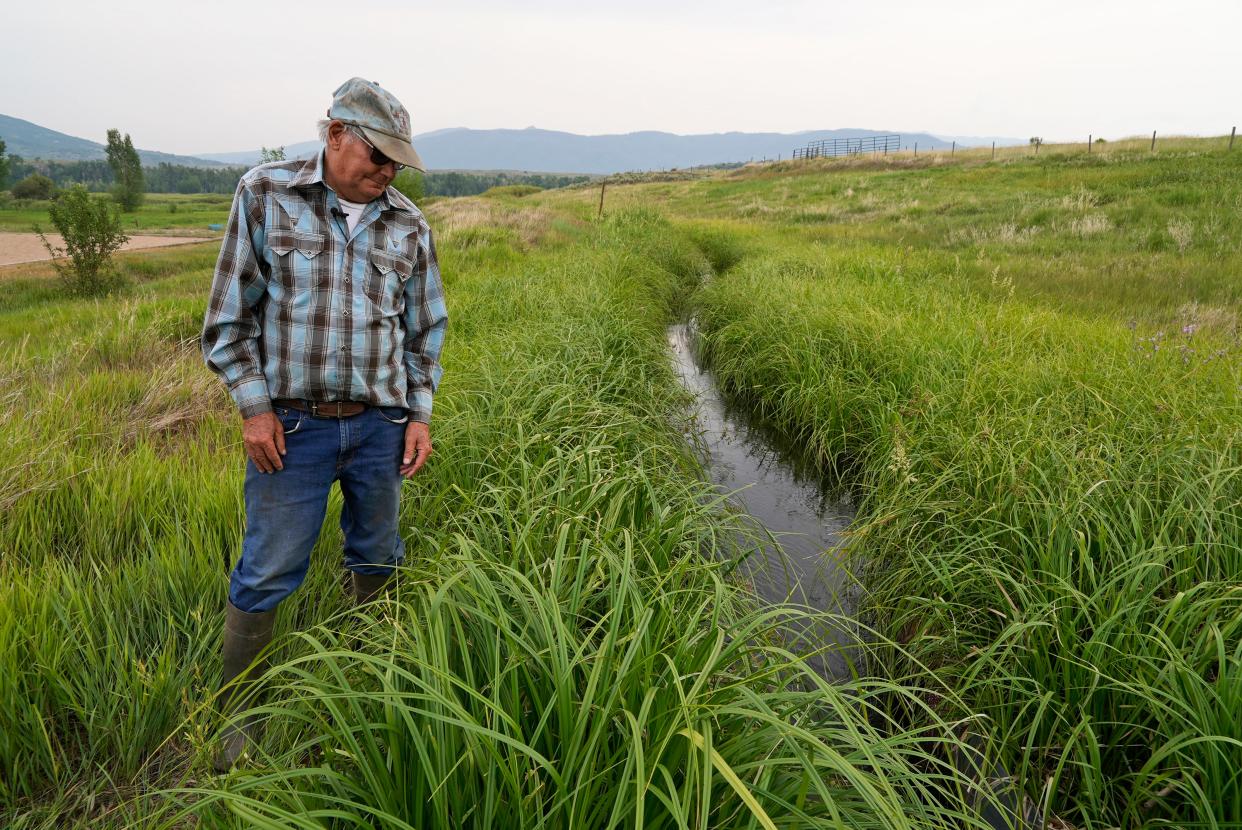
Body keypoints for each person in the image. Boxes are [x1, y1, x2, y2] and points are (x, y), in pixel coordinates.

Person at [201, 77, 447, 770]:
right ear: (335, 133)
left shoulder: (408, 225)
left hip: (380, 427)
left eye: (397, 161)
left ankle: (367, 677)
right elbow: (227, 319)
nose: (387, 171)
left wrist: (418, 416)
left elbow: (425, 331)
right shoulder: (264, 193)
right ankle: (239, 715)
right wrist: (253, 406)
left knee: (377, 552)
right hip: (293, 429)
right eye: (377, 154)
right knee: (269, 567)